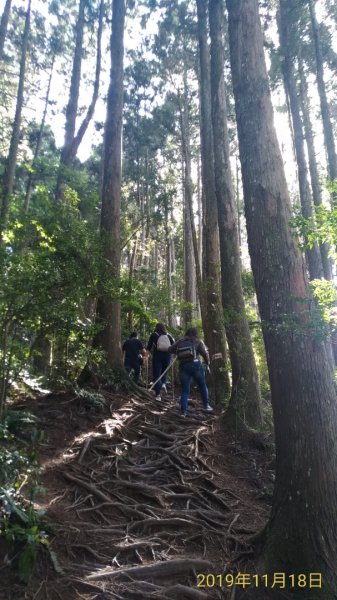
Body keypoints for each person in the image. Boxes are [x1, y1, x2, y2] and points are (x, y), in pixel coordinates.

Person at [168, 327, 213, 417]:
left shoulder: (180, 341)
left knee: (185, 390)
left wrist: (178, 352)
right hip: (196, 366)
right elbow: (204, 353)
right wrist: (207, 363)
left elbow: (170, 349)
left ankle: (183, 412)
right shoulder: (197, 341)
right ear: (195, 333)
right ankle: (206, 405)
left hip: (183, 367)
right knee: (202, 385)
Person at [147, 323, 175, 401]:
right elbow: (173, 345)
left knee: (157, 375)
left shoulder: (154, 335)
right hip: (167, 357)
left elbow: (149, 347)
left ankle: (158, 395)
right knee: (164, 372)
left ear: (156, 328)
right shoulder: (169, 335)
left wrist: (147, 355)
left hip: (157, 357)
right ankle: (164, 384)